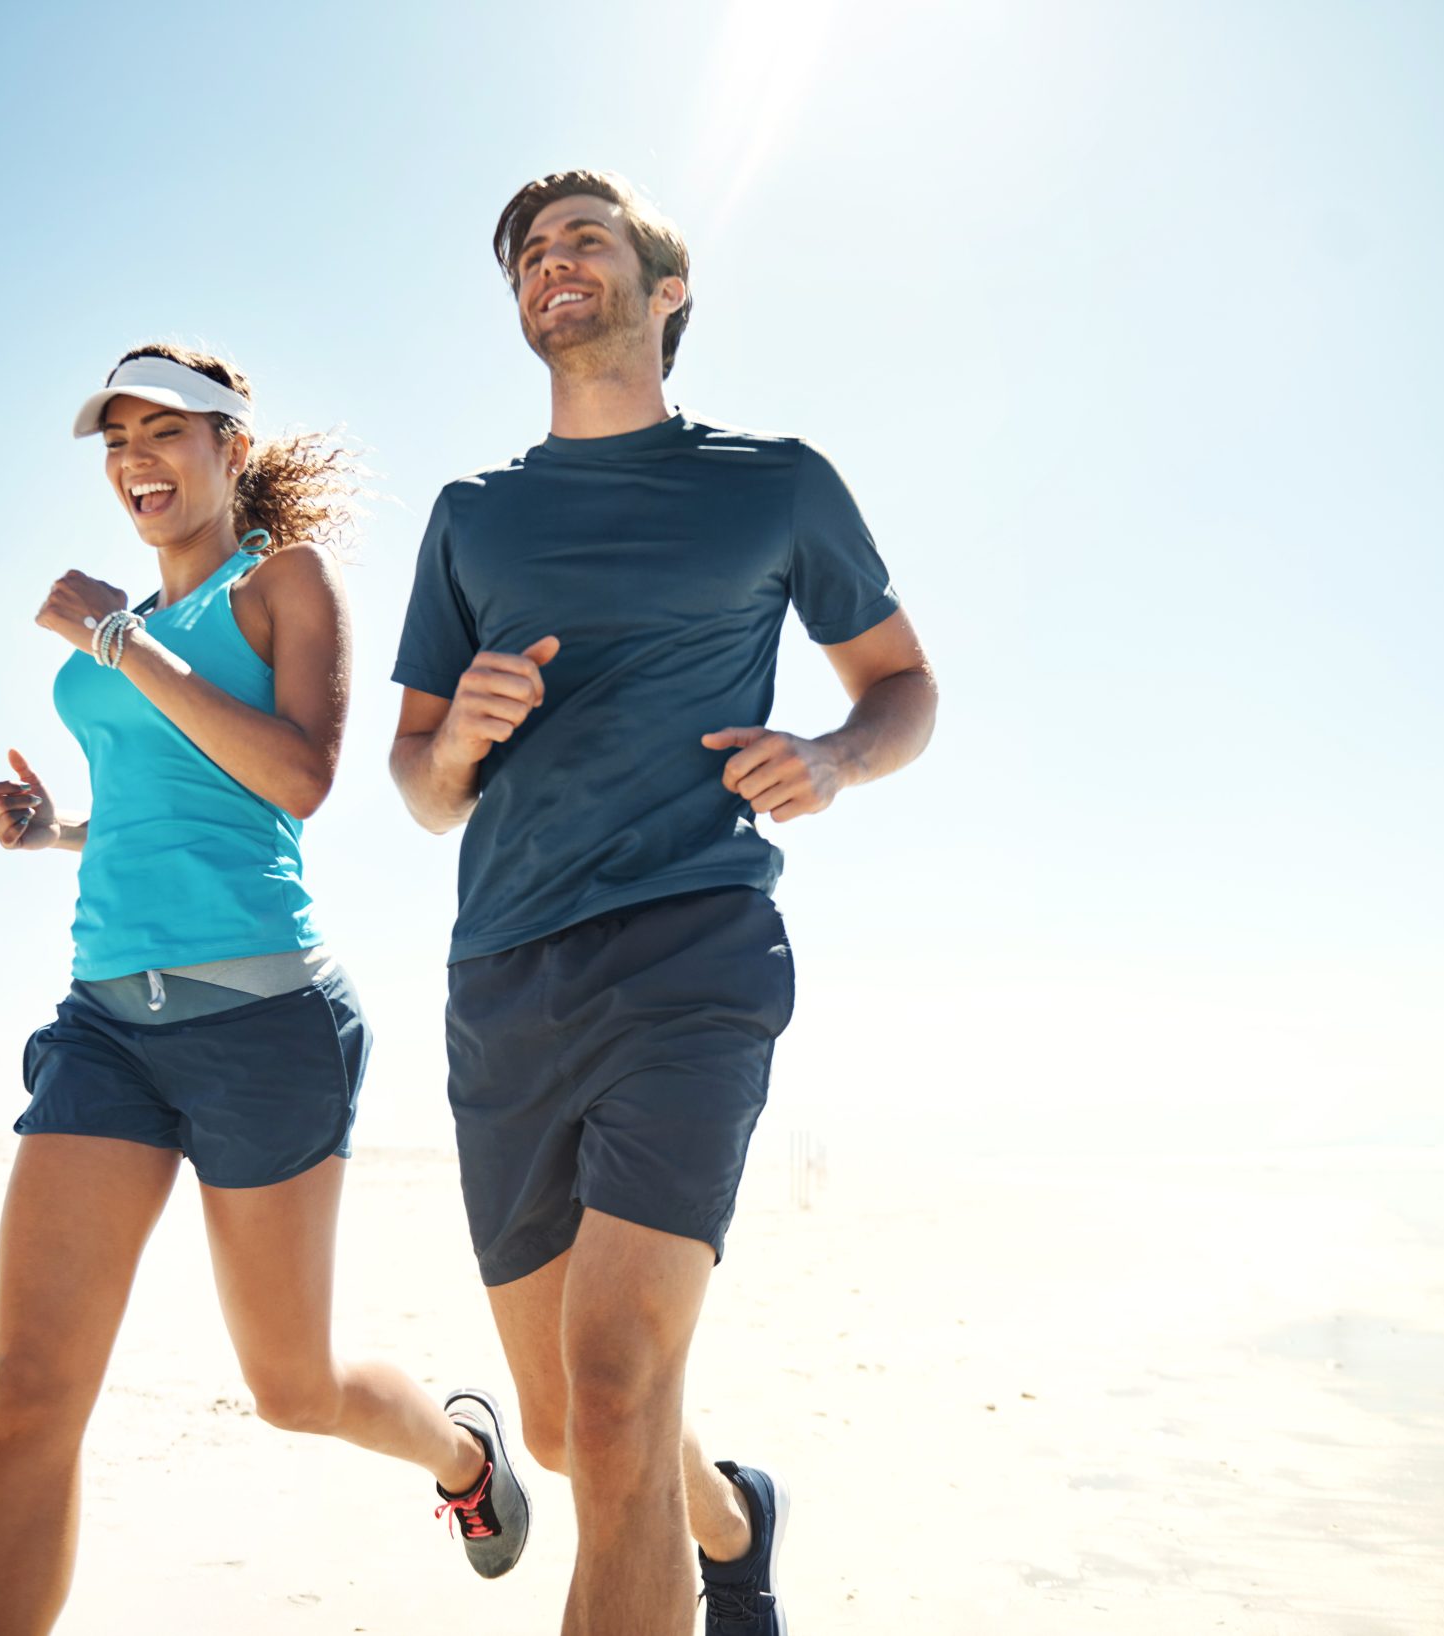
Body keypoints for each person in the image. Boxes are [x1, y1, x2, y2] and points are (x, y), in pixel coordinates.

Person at [389, 171, 938, 1636]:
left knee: (621, 1390)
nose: (547, 263)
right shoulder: (470, 519)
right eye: (524, 255)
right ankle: (736, 1522)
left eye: (583, 239)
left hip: (693, 948)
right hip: (504, 973)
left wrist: (831, 757)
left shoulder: (774, 482)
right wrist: (456, 741)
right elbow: (417, 784)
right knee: (574, 1430)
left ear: (667, 290)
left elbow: (903, 686)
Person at [0, 344, 530, 1635]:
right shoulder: (135, 631)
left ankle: (463, 1459)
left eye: (166, 433)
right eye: (117, 442)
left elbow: (295, 778)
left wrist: (116, 639)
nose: (136, 462)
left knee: (289, 1388)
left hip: (265, 1028)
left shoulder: (282, 585)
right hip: (106, 1026)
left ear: (231, 448)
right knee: (30, 1396)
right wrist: (57, 831)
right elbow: (171, 813)